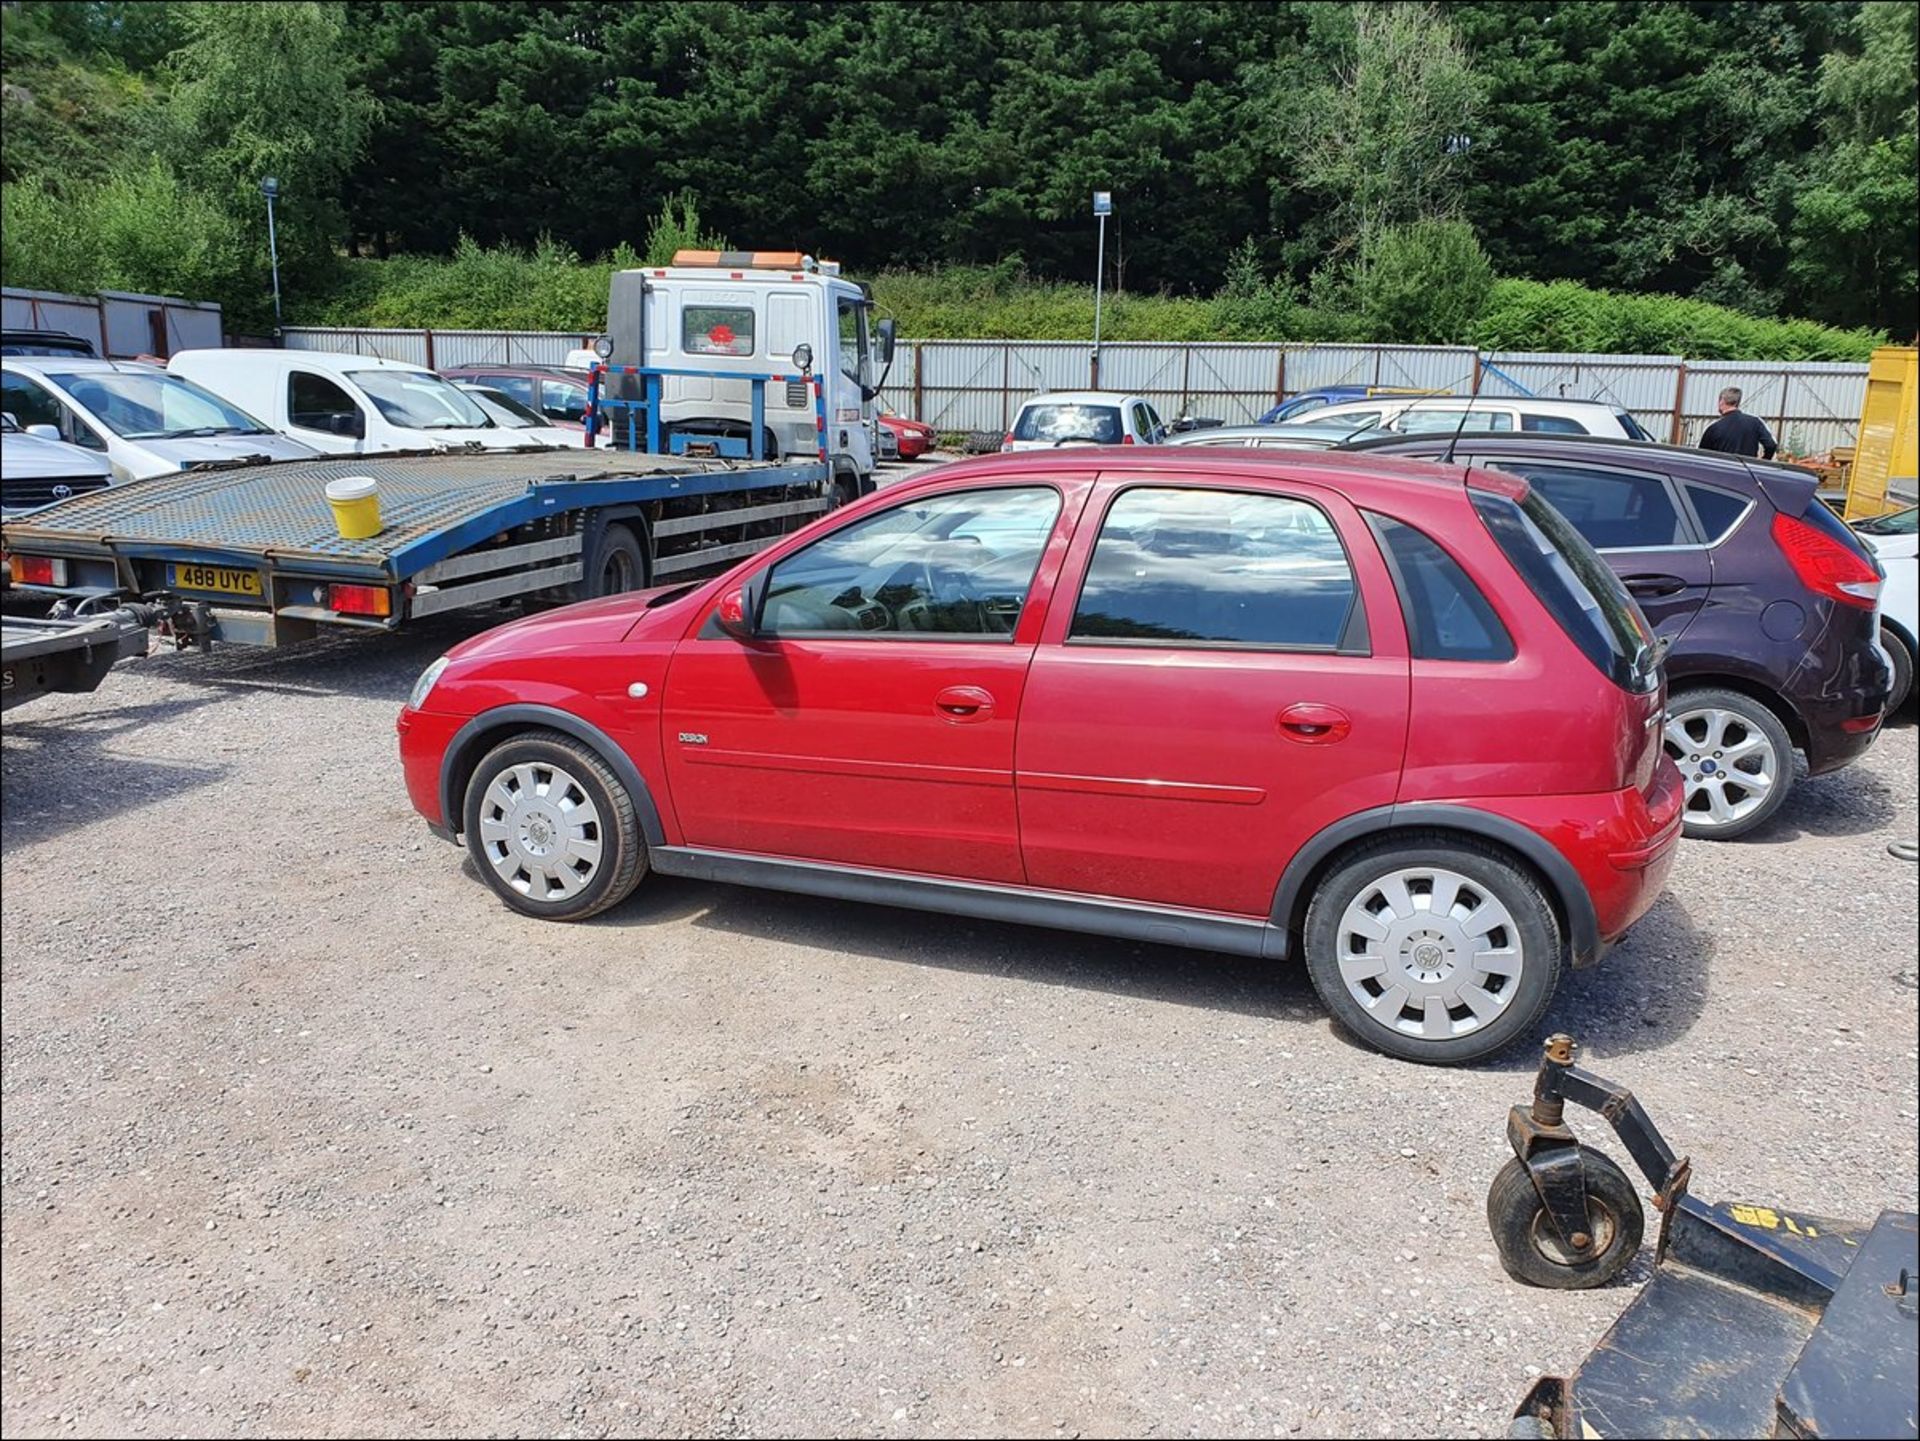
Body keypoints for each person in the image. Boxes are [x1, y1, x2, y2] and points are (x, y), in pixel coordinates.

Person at [1698, 387, 1778, 459]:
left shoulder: (1714, 429)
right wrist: (1763, 461)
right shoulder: (1755, 422)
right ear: (1737, 402)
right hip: (1747, 471)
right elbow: (1771, 445)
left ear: (1722, 401)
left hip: (1721, 471)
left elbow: (1702, 456)